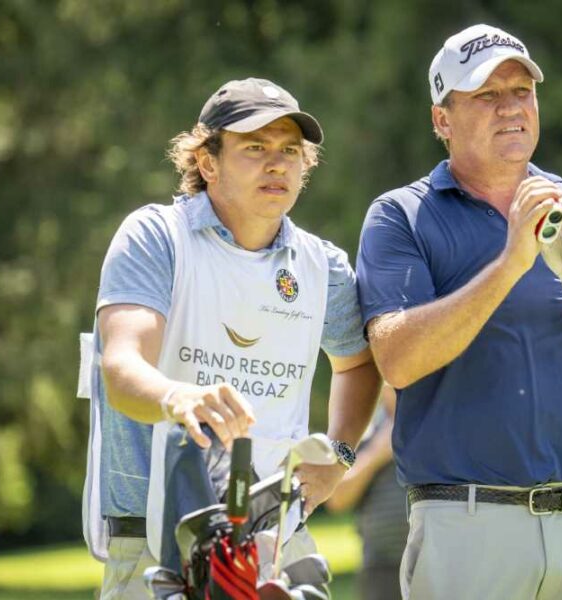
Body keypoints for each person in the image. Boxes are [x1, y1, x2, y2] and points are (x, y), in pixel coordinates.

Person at [355, 23, 562, 600]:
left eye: (522, 91)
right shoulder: (400, 216)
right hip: (469, 528)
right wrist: (510, 262)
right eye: (486, 95)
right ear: (442, 120)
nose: (511, 109)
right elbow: (399, 359)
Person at [80, 77, 381, 599]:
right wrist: (179, 397)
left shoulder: (322, 266)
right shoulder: (156, 237)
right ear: (208, 162)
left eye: (291, 150)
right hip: (154, 546)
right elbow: (122, 365)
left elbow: (358, 363)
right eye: (255, 147)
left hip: (274, 546)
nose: (278, 163)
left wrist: (340, 456)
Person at [325, 385, 409, 600]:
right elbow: (335, 498)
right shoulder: (362, 431)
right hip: (380, 566)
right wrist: (377, 453)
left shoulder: (434, 425)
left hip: (433, 559)